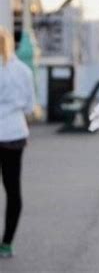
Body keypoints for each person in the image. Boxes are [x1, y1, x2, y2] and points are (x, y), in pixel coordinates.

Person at [0, 27, 35, 259]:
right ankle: (7, 243)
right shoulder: (23, 70)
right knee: (13, 191)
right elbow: (30, 107)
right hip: (14, 135)